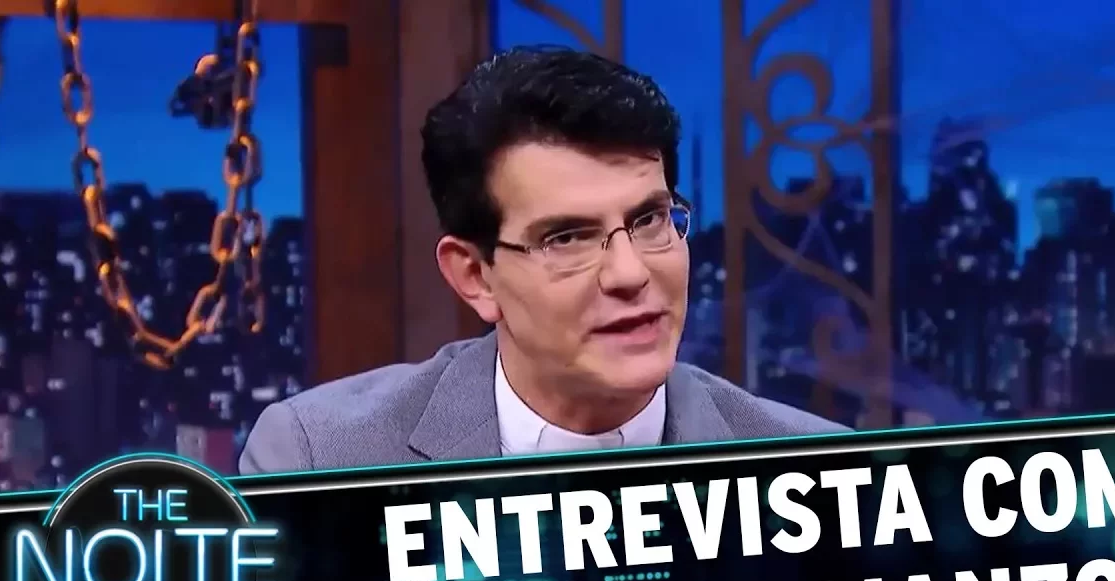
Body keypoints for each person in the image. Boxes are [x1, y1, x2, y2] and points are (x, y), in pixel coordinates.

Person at [238, 45, 848, 476]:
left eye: (650, 220)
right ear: (474, 276)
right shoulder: (319, 459)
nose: (631, 273)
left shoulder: (820, 478)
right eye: (568, 239)